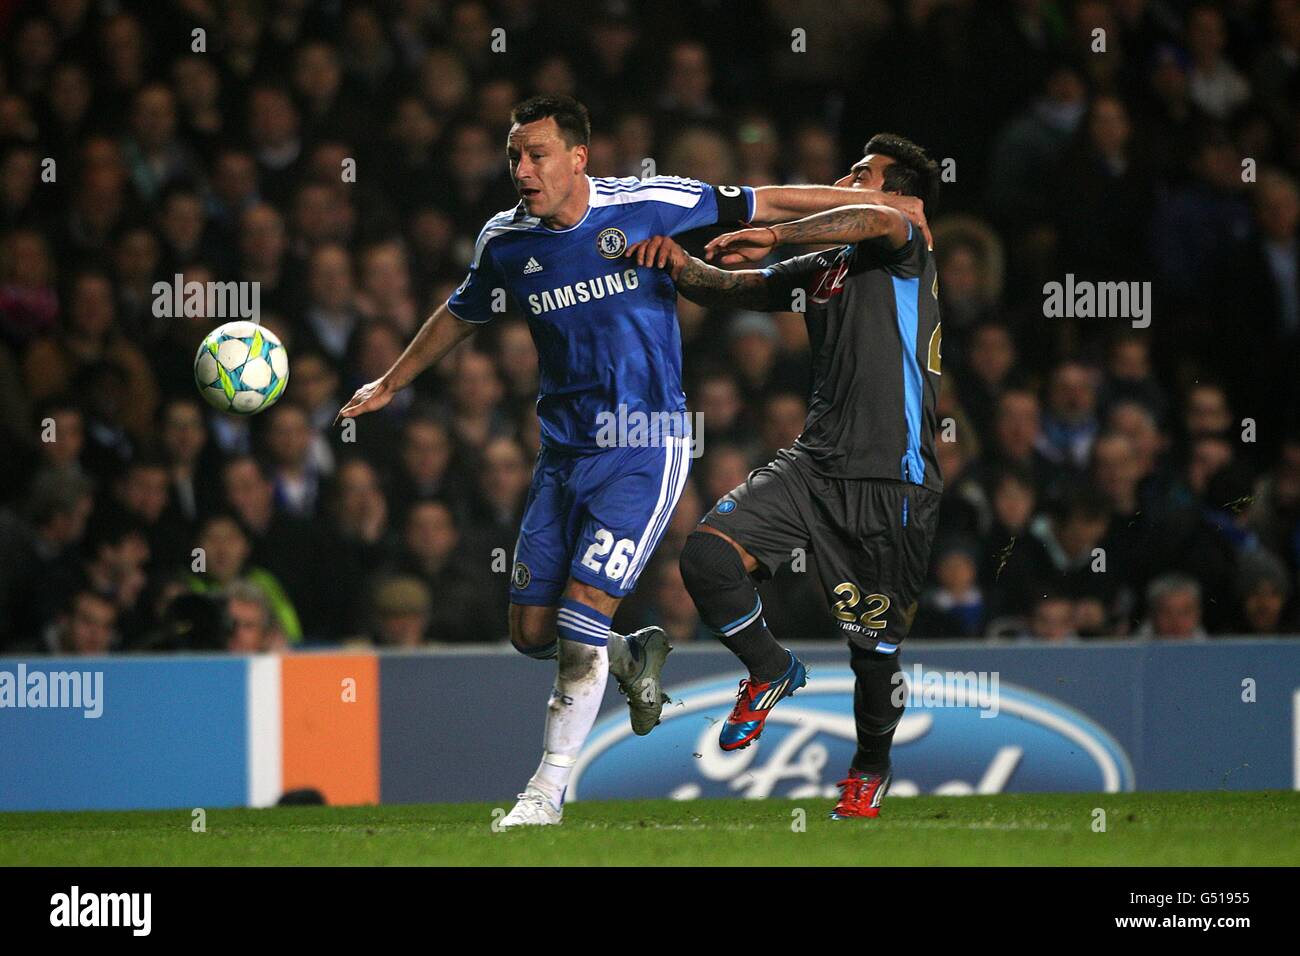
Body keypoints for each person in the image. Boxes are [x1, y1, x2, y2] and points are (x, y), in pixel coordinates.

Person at [336, 95, 927, 828]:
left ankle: (544, 794)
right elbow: (463, 311)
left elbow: (766, 198)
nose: (522, 168)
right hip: (563, 454)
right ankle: (628, 655)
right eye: (514, 155)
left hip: (645, 445)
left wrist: (878, 207)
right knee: (529, 632)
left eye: (537, 154)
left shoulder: (653, 201)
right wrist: (391, 381)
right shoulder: (505, 242)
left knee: (582, 622)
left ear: (578, 157)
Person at [626, 133, 942, 821]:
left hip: (893, 477)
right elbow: (739, 290)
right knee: (706, 555)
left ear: (901, 192)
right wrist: (675, 262)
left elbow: (860, 218)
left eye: (862, 172)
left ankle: (868, 771)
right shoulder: (832, 261)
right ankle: (770, 668)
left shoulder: (901, 234)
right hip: (814, 462)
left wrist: (771, 231)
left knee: (874, 648)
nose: (846, 178)